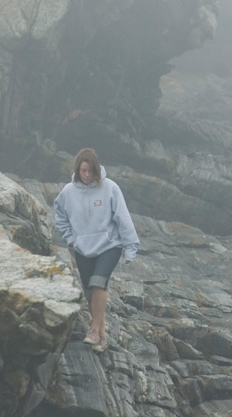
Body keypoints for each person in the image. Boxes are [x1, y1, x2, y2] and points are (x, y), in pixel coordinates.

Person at [54, 148, 140, 353]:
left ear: (96, 171)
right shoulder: (68, 191)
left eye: (90, 171)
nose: (86, 175)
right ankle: (102, 338)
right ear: (77, 170)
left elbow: (123, 218)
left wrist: (130, 248)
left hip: (109, 246)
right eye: (83, 171)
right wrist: (71, 239)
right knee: (90, 291)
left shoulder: (110, 188)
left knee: (98, 283)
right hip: (82, 248)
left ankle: (93, 330)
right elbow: (59, 215)